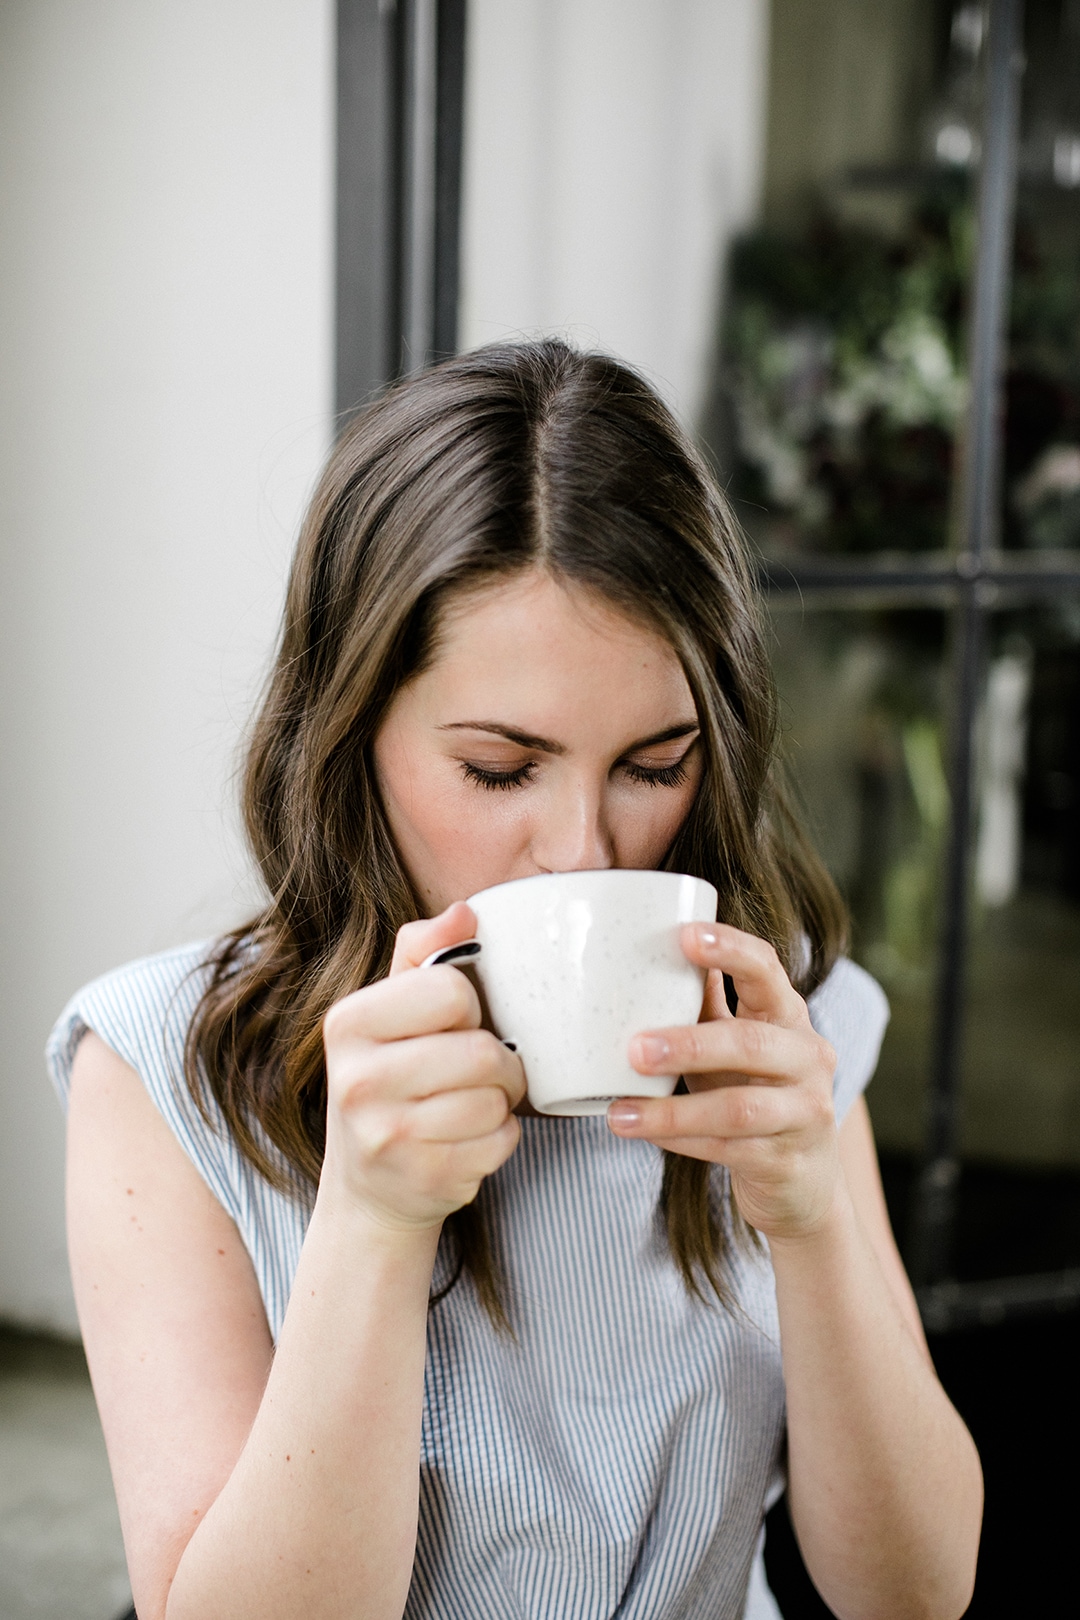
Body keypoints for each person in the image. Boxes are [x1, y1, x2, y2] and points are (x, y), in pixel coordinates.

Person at [49, 340, 982, 1620]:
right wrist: (373, 1225)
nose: (585, 852)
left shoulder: (784, 1029)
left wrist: (813, 1221)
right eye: (499, 770)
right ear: (350, 733)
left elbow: (917, 1595)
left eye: (655, 766)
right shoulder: (165, 1068)